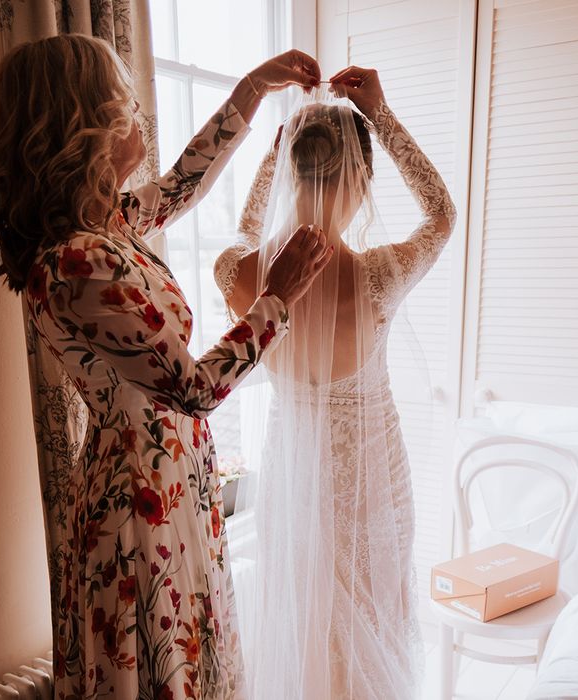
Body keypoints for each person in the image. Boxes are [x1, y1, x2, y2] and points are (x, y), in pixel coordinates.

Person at [0, 33, 332, 700]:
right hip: (141, 505)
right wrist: (277, 297)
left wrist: (251, 89)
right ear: (84, 127)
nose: (137, 113)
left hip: (169, 480)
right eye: (124, 101)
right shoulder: (75, 261)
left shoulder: (108, 227)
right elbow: (193, 389)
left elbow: (181, 184)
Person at [214, 66, 456, 699]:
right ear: (363, 177)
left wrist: (272, 155)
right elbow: (442, 212)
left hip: (294, 484)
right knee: (374, 631)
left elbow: (243, 232)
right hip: (373, 488)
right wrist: (384, 117)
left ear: (292, 170)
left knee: (307, 633)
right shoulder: (381, 277)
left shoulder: (239, 277)